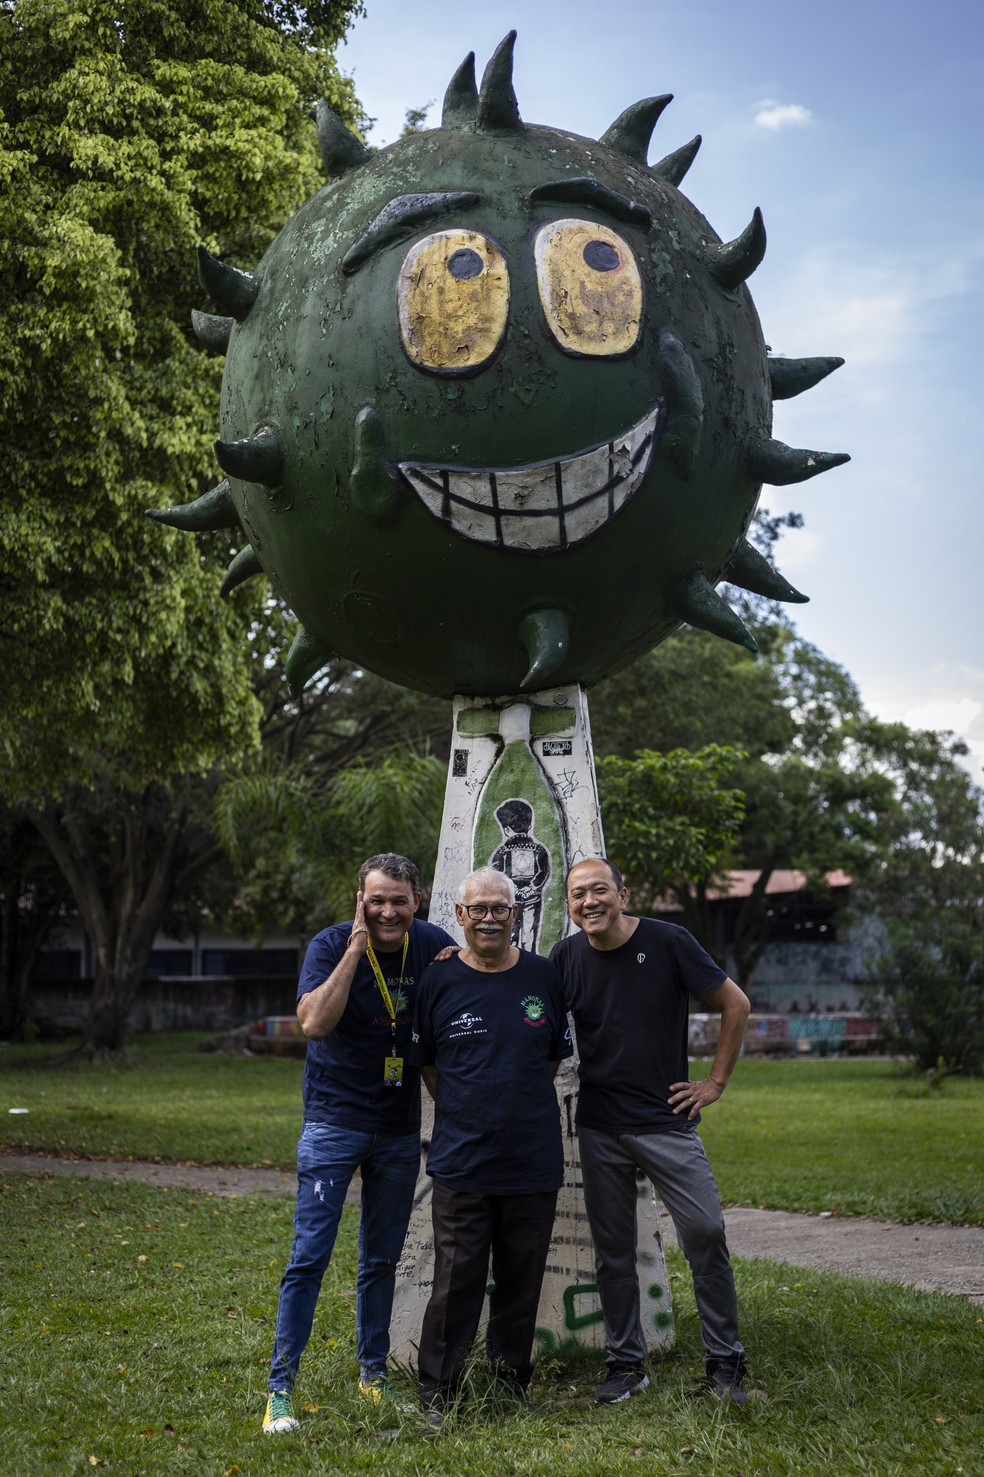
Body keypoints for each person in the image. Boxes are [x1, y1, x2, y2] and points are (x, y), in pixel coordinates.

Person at [263, 853, 457, 1434]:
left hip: (398, 1128)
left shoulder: (433, 944)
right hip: (334, 1124)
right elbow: (314, 1024)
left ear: (417, 900)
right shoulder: (329, 945)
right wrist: (354, 948)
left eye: (399, 900)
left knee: (381, 1259)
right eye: (377, 900)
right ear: (360, 901)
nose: (388, 911)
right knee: (309, 1258)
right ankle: (280, 1391)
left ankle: (372, 1376)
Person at [550, 857, 751, 1406]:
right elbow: (523, 1000)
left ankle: (725, 1361)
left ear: (622, 893)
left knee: (705, 1233)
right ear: (567, 904)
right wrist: (459, 958)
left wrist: (713, 1082)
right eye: (576, 895)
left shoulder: (668, 942)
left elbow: (735, 1003)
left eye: (598, 891)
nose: (588, 902)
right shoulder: (566, 956)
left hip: (667, 1122)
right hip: (599, 1127)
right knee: (613, 1251)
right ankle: (625, 1365)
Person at [410, 867, 572, 1427]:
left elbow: (550, 1058)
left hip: (532, 1159)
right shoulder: (438, 981)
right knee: (456, 1282)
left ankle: (509, 1384)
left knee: (522, 1280)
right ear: (459, 917)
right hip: (461, 1162)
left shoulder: (543, 977)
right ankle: (439, 1391)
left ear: (516, 913)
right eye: (477, 909)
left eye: (499, 908)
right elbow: (427, 1062)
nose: (488, 918)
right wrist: (466, 1106)